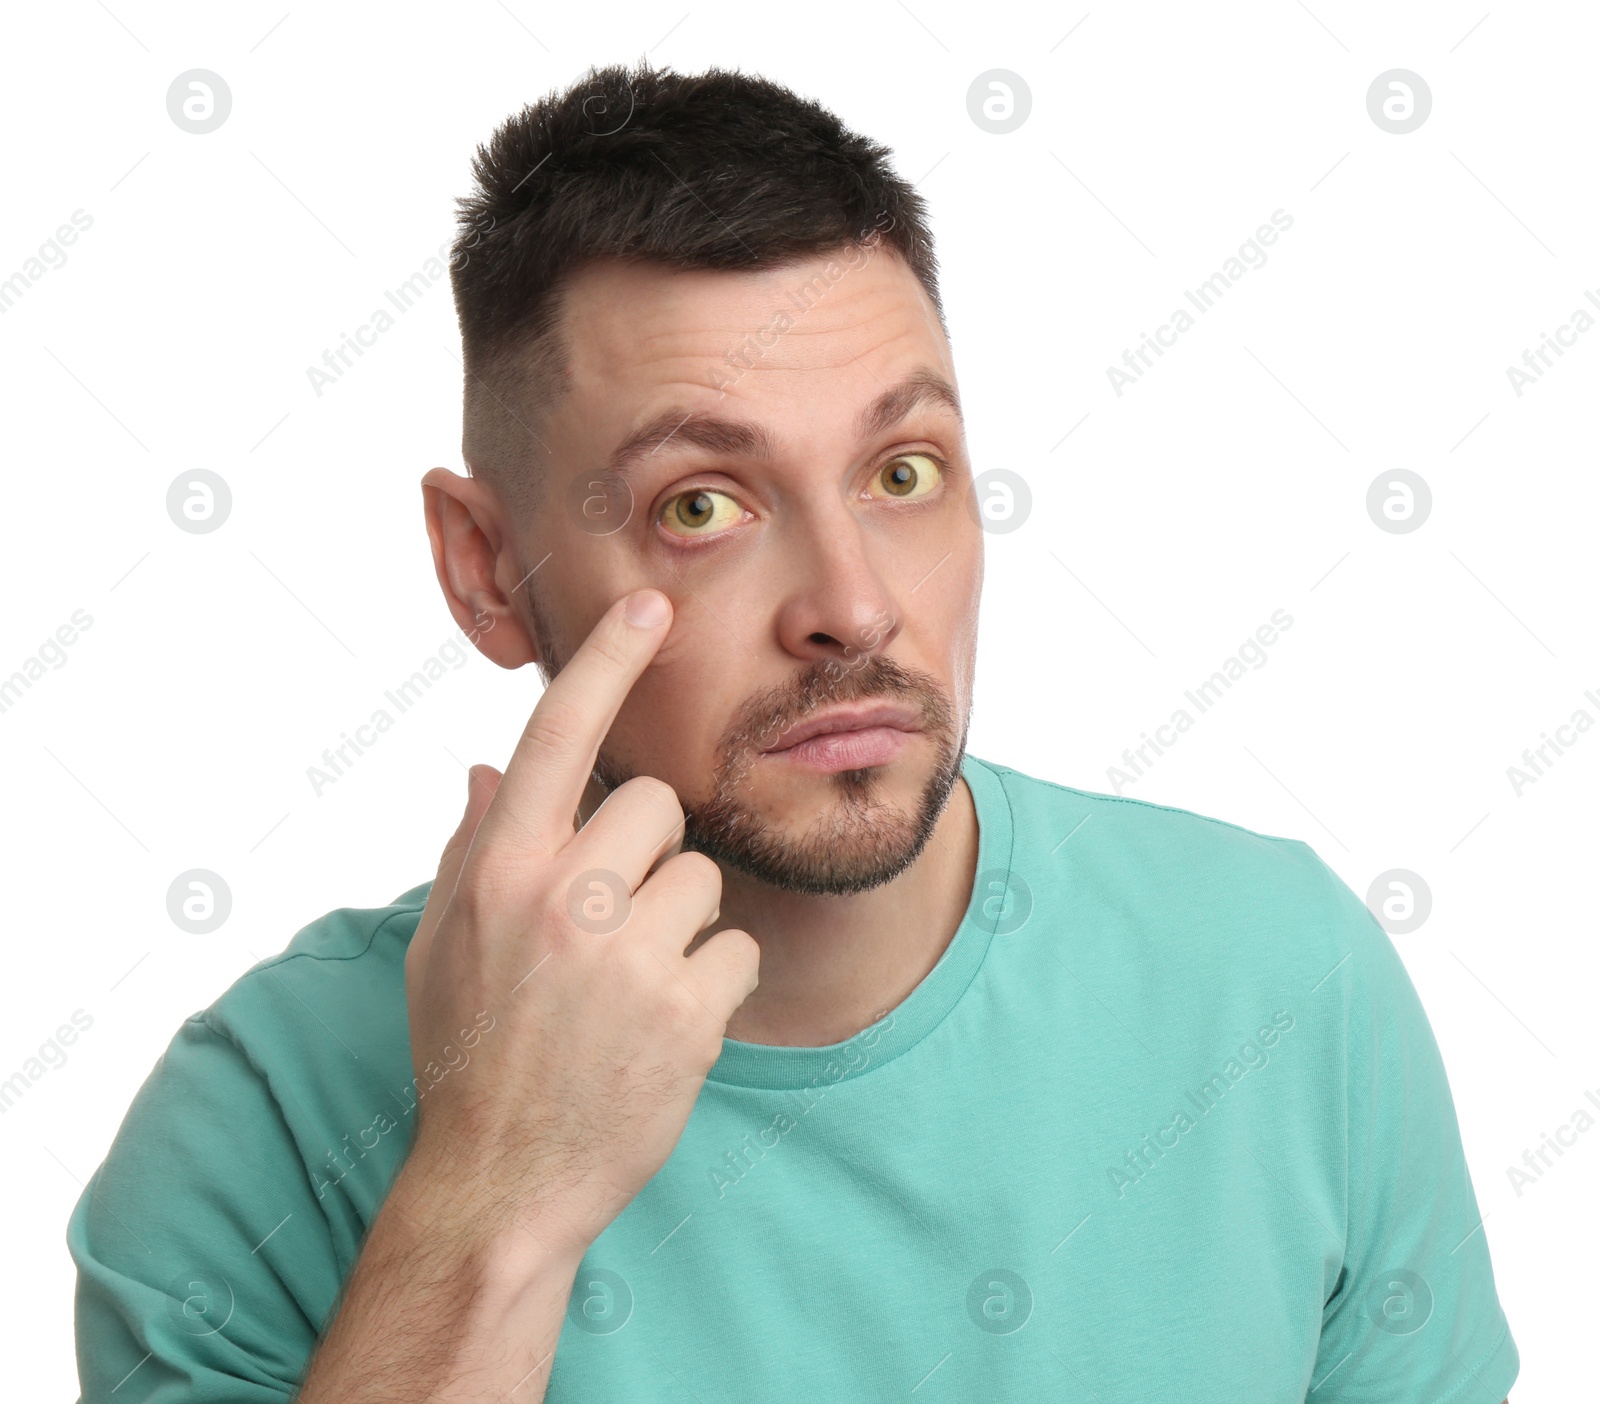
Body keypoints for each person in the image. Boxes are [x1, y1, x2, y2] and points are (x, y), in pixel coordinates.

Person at [68, 60, 1518, 1403]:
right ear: (482, 569)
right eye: (701, 504)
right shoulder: (257, 1124)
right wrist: (490, 1196)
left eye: (902, 470)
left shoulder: (1283, 984)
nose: (853, 607)